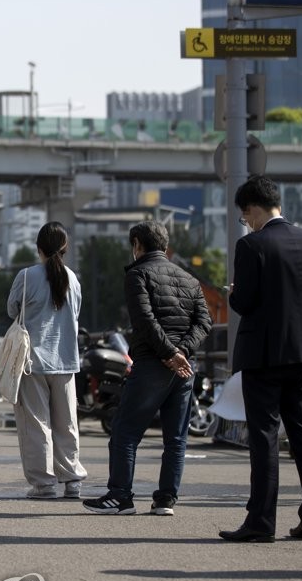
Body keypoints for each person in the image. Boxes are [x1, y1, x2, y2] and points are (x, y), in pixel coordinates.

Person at [219, 175, 302, 543]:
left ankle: (261, 521)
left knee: (264, 437)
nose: (245, 222)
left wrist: (233, 294)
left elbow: (244, 303)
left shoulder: (252, 245)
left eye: (244, 215)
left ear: (251, 209)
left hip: (264, 355)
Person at [83, 221, 211, 516]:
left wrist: (168, 353)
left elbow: (144, 319)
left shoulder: (137, 274)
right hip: (183, 368)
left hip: (153, 364)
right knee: (176, 438)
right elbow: (204, 322)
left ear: (137, 245)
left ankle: (120, 496)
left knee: (125, 432)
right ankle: (165, 500)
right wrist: (182, 353)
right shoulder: (190, 280)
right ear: (165, 247)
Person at [7, 222, 87, 499]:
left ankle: (44, 484)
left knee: (36, 424)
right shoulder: (73, 278)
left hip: (32, 362)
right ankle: (72, 480)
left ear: (38, 248)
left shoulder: (26, 276)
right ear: (65, 249)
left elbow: (11, 309)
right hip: (65, 360)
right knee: (67, 423)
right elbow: (76, 314)